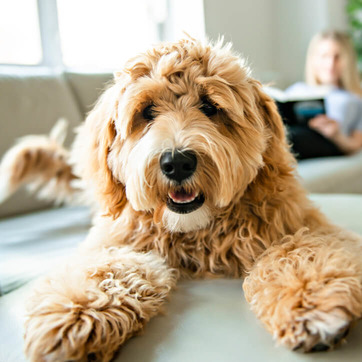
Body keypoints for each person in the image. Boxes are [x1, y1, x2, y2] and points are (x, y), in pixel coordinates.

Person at [285, 30, 362, 160]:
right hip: (288, 132)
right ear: (313, 59)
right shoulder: (297, 89)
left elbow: (355, 144)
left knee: (289, 137)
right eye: (325, 56)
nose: (330, 63)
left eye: (337, 57)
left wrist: (336, 135)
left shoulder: (354, 98)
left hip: (327, 141)